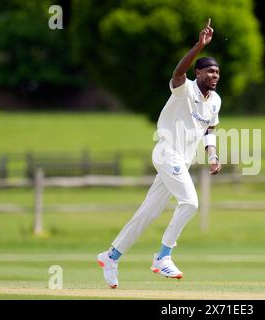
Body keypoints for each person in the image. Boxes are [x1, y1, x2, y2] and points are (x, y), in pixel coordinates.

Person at [97, 18, 222, 288]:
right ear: (198, 73)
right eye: (210, 71)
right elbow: (178, 72)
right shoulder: (183, 89)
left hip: (182, 162)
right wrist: (199, 46)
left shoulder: (215, 102)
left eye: (217, 73)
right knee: (190, 203)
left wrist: (212, 155)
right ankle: (163, 256)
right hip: (167, 154)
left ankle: (111, 256)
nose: (214, 76)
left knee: (147, 213)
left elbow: (210, 129)